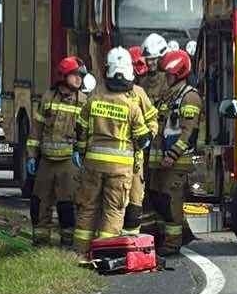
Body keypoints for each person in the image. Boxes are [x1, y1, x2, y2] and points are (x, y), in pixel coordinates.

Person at [72, 48, 151, 256]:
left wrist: (81, 150)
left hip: (92, 164)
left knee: (88, 207)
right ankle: (105, 254)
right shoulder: (131, 105)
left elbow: (80, 127)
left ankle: (81, 253)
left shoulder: (95, 98)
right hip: (121, 168)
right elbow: (143, 138)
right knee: (113, 210)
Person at [26, 57, 88, 246]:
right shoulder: (48, 97)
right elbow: (36, 129)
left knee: (67, 205)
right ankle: (40, 242)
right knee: (39, 202)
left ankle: (67, 243)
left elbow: (86, 132)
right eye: (74, 75)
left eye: (81, 76)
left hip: (69, 163)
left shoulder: (84, 101)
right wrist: (31, 155)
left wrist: (81, 152)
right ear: (63, 76)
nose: (79, 79)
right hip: (46, 162)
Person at [148, 49, 203, 256]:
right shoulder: (169, 95)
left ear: (179, 73)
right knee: (160, 201)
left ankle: (173, 243)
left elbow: (189, 132)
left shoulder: (189, 97)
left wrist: (172, 155)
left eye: (169, 74)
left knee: (172, 203)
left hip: (175, 162)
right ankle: (169, 237)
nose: (166, 78)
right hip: (160, 161)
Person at [123, 46, 160, 235]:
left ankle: (137, 240)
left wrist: (149, 136)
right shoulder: (104, 93)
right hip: (118, 159)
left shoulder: (139, 91)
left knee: (137, 199)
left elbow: (152, 118)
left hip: (138, 156)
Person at [138, 32, 170, 110]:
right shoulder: (141, 81)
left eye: (154, 59)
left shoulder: (170, 80)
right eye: (148, 59)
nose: (150, 63)